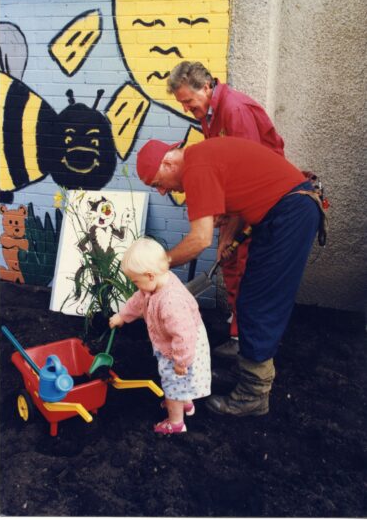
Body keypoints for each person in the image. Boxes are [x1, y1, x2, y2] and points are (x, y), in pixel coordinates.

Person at [136, 136, 325, 417]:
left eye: (157, 183)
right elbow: (242, 194)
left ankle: (253, 395)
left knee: (259, 304)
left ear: (168, 161)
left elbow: (199, 239)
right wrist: (227, 236)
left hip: (290, 214)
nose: (162, 192)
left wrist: (160, 264)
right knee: (250, 298)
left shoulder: (195, 170)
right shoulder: (203, 158)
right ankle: (247, 371)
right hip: (284, 211)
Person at [167, 61, 285, 358]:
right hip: (244, 194)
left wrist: (230, 224)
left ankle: (241, 338)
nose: (185, 108)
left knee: (239, 260)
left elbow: (249, 170)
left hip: (264, 197)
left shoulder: (234, 110)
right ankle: (239, 326)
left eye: (187, 101)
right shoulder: (209, 112)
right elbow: (224, 166)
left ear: (205, 87)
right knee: (231, 260)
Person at [109, 237, 211, 434]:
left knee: (172, 383)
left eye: (136, 281)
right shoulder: (155, 284)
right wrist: (123, 316)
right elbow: (139, 301)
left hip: (183, 349)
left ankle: (176, 423)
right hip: (175, 344)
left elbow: (184, 334)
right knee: (181, 381)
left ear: (149, 275)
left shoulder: (170, 302)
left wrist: (181, 361)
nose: (136, 286)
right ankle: (186, 403)